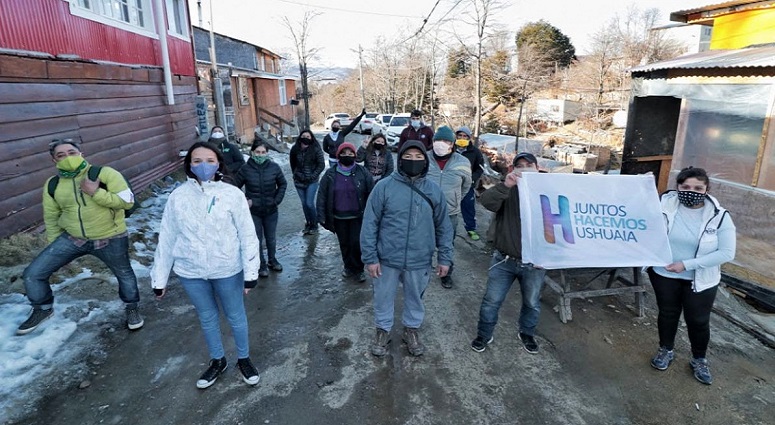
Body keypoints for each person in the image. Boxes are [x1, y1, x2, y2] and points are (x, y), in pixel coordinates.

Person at [151, 141, 261, 389]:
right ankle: (217, 360)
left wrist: (250, 273)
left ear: (219, 164)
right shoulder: (178, 197)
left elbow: (247, 234)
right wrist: (159, 280)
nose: (204, 165)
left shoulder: (231, 195)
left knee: (235, 316)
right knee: (207, 317)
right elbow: (167, 238)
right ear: (189, 164)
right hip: (191, 271)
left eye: (210, 160)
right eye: (198, 160)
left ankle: (243, 359)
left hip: (227, 268)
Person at [16, 139, 143, 335]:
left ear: (81, 153)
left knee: (124, 274)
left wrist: (95, 192)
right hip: (72, 238)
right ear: (53, 160)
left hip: (110, 237)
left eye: (71, 152)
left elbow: (127, 202)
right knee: (33, 274)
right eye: (61, 155)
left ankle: (132, 307)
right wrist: (55, 245)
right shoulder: (53, 184)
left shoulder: (104, 174)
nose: (67, 157)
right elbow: (51, 216)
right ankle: (42, 309)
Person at [361, 140, 454, 357]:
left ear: (426, 160)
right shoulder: (383, 187)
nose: (413, 161)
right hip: (387, 258)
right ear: (400, 158)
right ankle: (383, 330)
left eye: (419, 157)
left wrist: (445, 258)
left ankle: (411, 329)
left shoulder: (433, 191)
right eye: (408, 157)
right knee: (383, 297)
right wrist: (370, 257)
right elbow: (369, 223)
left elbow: (444, 227)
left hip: (419, 259)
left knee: (415, 297)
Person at [647, 167, 735, 385]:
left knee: (698, 320)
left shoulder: (719, 217)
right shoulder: (662, 205)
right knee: (667, 313)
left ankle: (699, 359)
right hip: (664, 273)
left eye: (698, 188)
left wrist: (686, 264)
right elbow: (641, 223)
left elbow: (726, 253)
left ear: (706, 189)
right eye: (685, 187)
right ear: (677, 187)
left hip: (700, 278)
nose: (691, 191)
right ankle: (665, 350)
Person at [470, 152, 546, 355]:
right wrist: (506, 185)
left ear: (538, 168)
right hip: (504, 260)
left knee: (532, 302)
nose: (525, 168)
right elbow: (486, 202)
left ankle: (527, 333)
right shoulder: (507, 189)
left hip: (535, 263)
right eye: (520, 165)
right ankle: (484, 335)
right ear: (513, 169)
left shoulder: (548, 192)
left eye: (530, 164)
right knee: (491, 301)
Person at [317, 142, 375, 282]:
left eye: (350, 154)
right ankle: (348, 267)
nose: (347, 156)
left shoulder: (362, 172)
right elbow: (322, 195)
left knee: (356, 243)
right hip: (338, 216)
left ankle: (359, 269)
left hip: (358, 215)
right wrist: (321, 215)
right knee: (344, 243)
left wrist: (373, 213)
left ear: (355, 156)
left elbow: (372, 193)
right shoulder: (330, 174)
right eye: (344, 153)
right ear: (338, 156)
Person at [425, 126, 472, 289]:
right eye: (438, 140)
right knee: (423, 241)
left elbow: (466, 186)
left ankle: (446, 273)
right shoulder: (424, 158)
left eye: (445, 141)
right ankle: (421, 269)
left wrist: (454, 200)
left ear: (452, 144)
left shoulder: (463, 162)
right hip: (426, 211)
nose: (441, 144)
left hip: (449, 213)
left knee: (447, 244)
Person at [233, 140, 288, 278]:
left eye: (263, 152)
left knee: (271, 238)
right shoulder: (245, 169)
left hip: (271, 210)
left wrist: (276, 200)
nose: (260, 155)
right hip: (254, 212)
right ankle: (261, 264)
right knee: (256, 239)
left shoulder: (274, 167)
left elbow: (282, 184)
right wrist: (245, 201)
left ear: (267, 153)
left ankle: (272, 260)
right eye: (257, 152)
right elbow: (234, 188)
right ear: (252, 152)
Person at [290, 130, 326, 235]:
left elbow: (321, 165)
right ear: (300, 137)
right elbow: (293, 164)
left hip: (312, 181)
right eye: (303, 136)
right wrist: (295, 174)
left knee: (309, 203)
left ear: (311, 138)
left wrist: (313, 176)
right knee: (304, 204)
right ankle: (308, 223)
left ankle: (314, 224)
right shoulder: (295, 149)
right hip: (299, 181)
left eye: (308, 136)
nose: (305, 137)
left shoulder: (315, 149)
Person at [455, 126, 485, 241]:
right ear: (456, 136)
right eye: (460, 135)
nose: (462, 138)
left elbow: (480, 168)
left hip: (467, 185)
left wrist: (473, 178)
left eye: (465, 136)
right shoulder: (450, 149)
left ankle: (471, 228)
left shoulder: (475, 152)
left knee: (468, 207)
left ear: (469, 138)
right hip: (452, 184)